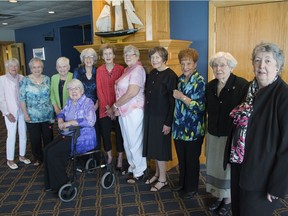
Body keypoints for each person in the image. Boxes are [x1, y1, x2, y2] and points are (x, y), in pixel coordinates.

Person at [224, 42, 288, 216]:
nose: (261, 65)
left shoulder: (283, 95)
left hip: (263, 174)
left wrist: (277, 185)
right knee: (238, 210)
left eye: (268, 61)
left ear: (278, 66)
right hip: (241, 166)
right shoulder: (250, 90)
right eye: (257, 60)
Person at [205, 52, 249, 215]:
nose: (218, 68)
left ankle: (228, 199)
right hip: (213, 132)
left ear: (231, 66)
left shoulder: (242, 85)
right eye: (215, 65)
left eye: (222, 65)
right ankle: (218, 196)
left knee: (228, 169)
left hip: (231, 135)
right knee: (215, 166)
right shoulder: (210, 86)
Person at [44, 79, 97, 192]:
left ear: (82, 90)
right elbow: (62, 112)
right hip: (68, 133)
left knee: (54, 153)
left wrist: (70, 122)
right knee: (47, 149)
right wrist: (59, 120)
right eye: (70, 89)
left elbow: (90, 121)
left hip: (82, 136)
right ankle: (51, 183)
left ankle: (62, 184)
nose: (73, 91)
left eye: (76, 88)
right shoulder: (69, 101)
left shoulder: (88, 102)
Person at [172, 48, 206, 199]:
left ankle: (192, 188)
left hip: (193, 129)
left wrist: (182, 97)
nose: (185, 67)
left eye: (189, 63)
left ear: (195, 64)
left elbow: (200, 107)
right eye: (183, 63)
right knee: (182, 158)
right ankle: (183, 183)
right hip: (179, 128)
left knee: (192, 159)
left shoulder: (200, 82)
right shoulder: (179, 80)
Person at [143, 46, 178, 191]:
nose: (154, 60)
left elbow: (173, 103)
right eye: (152, 57)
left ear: (164, 58)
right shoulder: (152, 73)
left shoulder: (171, 76)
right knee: (154, 147)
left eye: (157, 57)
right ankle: (157, 174)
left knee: (160, 149)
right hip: (151, 115)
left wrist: (168, 123)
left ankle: (163, 180)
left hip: (163, 118)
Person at [112, 45, 147, 183]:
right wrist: (118, 107)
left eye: (130, 54)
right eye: (125, 54)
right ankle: (133, 167)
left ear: (137, 56)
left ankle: (140, 171)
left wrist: (115, 105)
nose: (127, 56)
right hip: (124, 111)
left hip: (134, 110)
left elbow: (132, 92)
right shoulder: (127, 69)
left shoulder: (138, 70)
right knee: (128, 141)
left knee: (135, 142)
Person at [19, 57, 54, 166]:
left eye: (39, 67)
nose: (37, 69)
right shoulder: (25, 80)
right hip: (32, 116)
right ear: (30, 68)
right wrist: (25, 114)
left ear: (42, 68)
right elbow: (22, 99)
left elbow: (51, 96)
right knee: (35, 139)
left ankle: (49, 157)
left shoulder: (47, 79)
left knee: (49, 137)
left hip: (47, 115)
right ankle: (38, 158)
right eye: (34, 67)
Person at [96, 44, 125, 169]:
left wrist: (114, 108)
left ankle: (119, 157)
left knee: (120, 133)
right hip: (104, 108)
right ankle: (109, 156)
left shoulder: (121, 69)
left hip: (118, 108)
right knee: (105, 133)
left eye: (110, 53)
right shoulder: (99, 70)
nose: (108, 56)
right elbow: (99, 91)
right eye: (105, 54)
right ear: (102, 56)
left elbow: (123, 90)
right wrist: (108, 108)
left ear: (114, 55)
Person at [0, 58, 31, 169]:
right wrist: (7, 113)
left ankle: (22, 156)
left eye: (16, 66)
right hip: (10, 112)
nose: (14, 68)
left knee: (23, 134)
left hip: (22, 110)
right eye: (11, 66)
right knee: (11, 135)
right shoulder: (2, 79)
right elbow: (1, 99)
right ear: (7, 67)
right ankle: (10, 159)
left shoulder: (22, 78)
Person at [73, 48, 100, 146]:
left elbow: (101, 89)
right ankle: (83, 156)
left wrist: (97, 104)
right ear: (83, 59)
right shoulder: (77, 71)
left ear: (94, 59)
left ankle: (95, 157)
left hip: (95, 106)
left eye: (91, 57)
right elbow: (74, 89)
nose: (88, 59)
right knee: (82, 131)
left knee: (95, 130)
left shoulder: (98, 71)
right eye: (86, 57)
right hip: (81, 106)